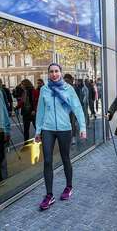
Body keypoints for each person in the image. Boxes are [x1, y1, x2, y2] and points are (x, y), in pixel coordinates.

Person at [35, 63, 86, 210]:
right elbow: (40, 112)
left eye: (56, 71)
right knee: (48, 161)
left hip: (64, 129)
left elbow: (77, 108)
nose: (54, 74)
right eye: (51, 72)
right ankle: (49, 195)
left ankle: (69, 187)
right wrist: (38, 131)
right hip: (47, 129)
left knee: (65, 158)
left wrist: (82, 127)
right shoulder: (44, 90)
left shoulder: (68, 89)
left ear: (61, 73)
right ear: (48, 74)